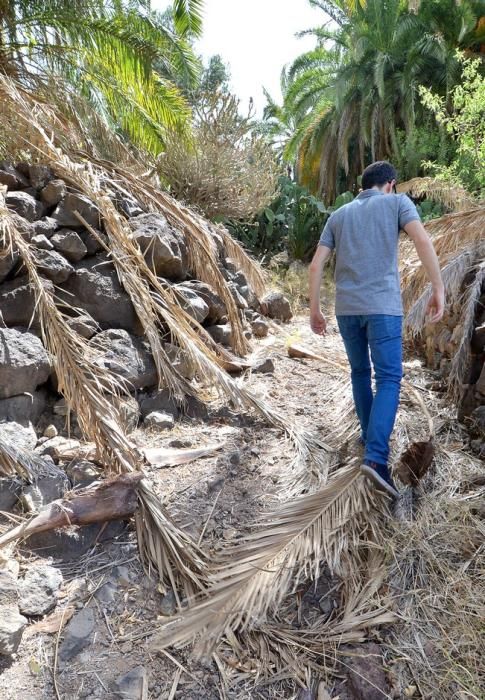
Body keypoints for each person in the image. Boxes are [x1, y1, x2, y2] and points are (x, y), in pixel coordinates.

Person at [309, 161, 444, 498]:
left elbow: (316, 264)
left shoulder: (338, 215)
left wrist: (315, 309)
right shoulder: (398, 203)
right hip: (382, 307)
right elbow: (423, 242)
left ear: (362, 186)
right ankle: (376, 459)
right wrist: (438, 289)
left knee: (359, 372)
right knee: (388, 379)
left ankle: (370, 437)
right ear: (390, 184)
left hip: (346, 310)